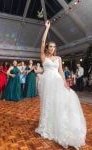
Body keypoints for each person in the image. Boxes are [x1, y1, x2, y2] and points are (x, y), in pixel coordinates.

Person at [35, 20, 86, 150]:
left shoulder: (58, 59)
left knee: (60, 103)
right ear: (47, 48)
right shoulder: (43, 57)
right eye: (50, 46)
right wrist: (47, 28)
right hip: (47, 82)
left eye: (53, 47)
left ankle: (61, 126)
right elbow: (42, 43)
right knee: (48, 103)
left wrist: (65, 83)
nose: (52, 48)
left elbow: (61, 71)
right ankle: (47, 126)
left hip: (57, 82)